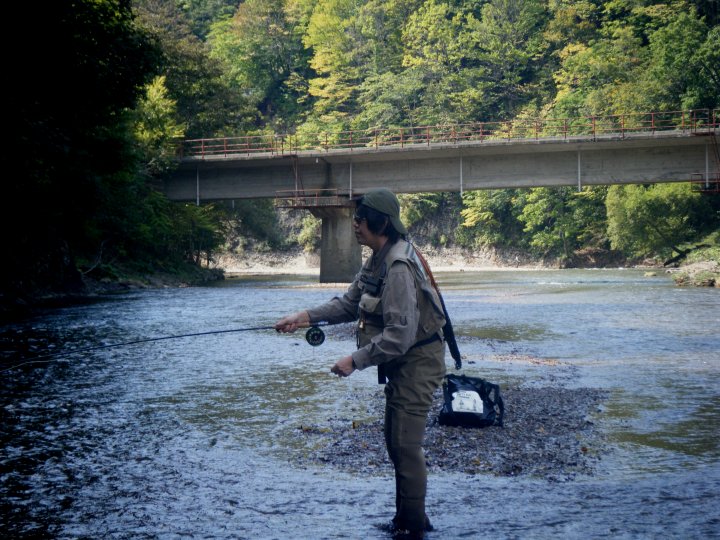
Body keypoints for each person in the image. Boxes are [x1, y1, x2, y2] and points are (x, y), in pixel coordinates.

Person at [275, 188, 447, 539]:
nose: (354, 224)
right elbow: (349, 304)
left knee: (404, 443)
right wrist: (304, 316)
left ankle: (412, 525)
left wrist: (355, 360)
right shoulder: (378, 258)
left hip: (419, 361)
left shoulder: (398, 266)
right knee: (394, 438)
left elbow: (400, 335)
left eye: (360, 218)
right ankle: (409, 520)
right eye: (354, 218)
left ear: (379, 223)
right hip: (404, 359)